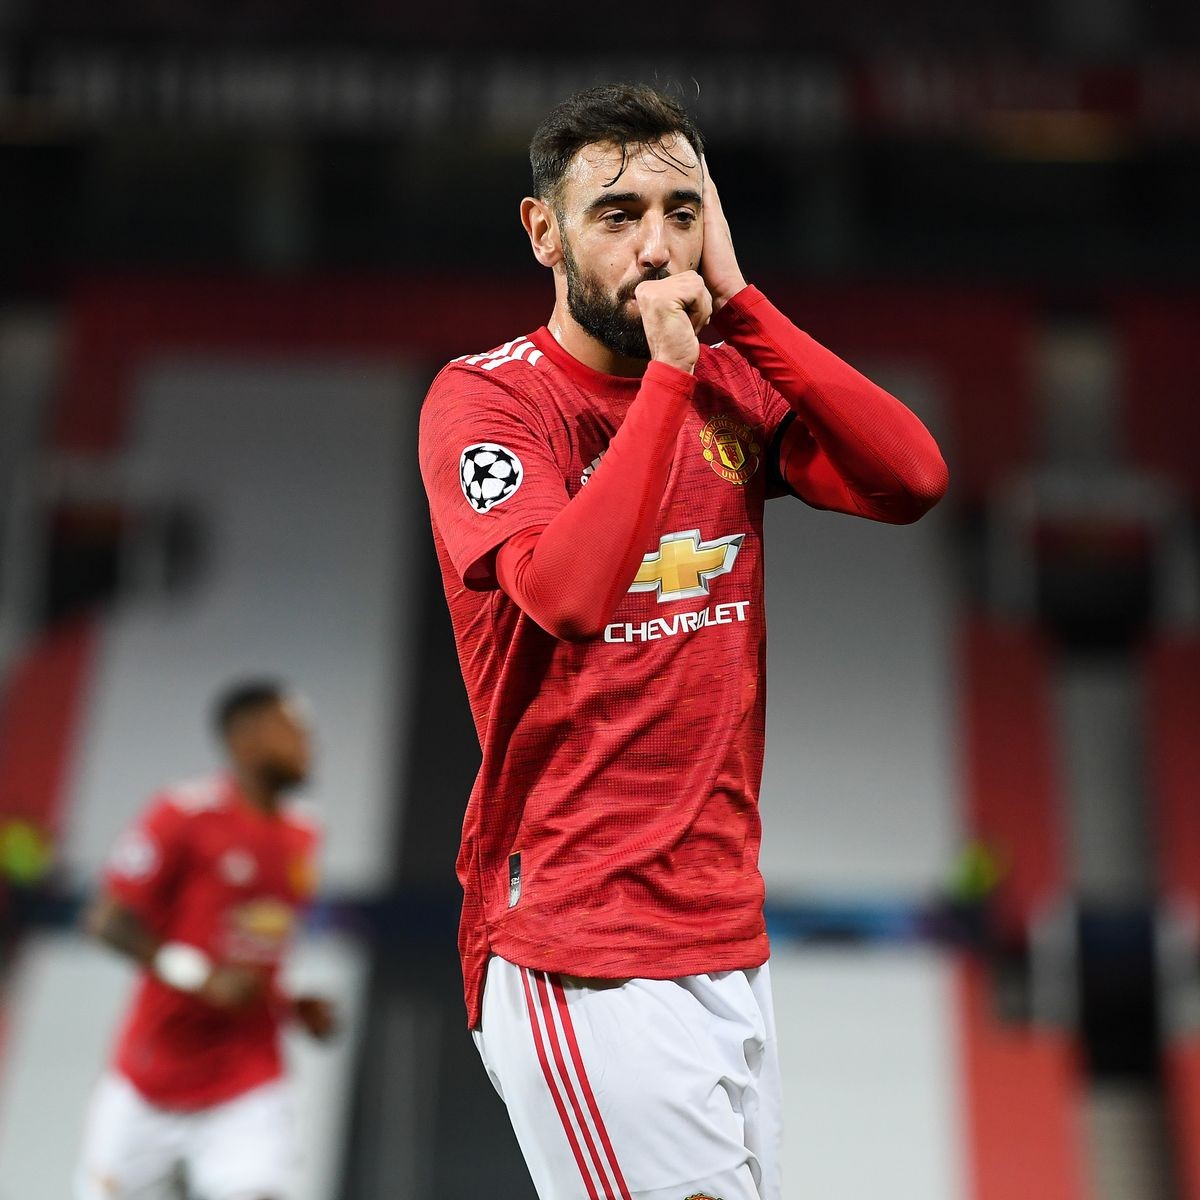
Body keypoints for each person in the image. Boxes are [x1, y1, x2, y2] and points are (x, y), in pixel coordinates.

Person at [418, 82, 949, 1200]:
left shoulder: (731, 378)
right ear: (544, 232)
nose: (658, 248)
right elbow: (565, 594)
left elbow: (911, 478)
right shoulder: (487, 403)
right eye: (618, 216)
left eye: (682, 211)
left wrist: (742, 304)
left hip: (722, 929)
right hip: (578, 938)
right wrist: (669, 376)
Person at [75, 681, 336, 1200]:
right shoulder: (183, 814)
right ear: (246, 737)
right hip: (153, 1077)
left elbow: (254, 948)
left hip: (248, 1079)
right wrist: (200, 978)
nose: (307, 744)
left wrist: (291, 1004)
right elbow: (105, 921)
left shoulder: (304, 833)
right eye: (292, 730)